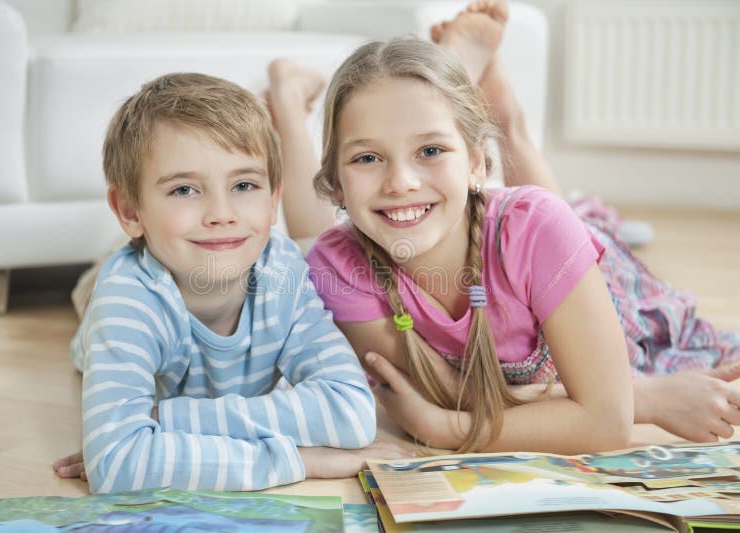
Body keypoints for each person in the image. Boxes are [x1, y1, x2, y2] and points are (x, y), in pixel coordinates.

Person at [297, 0, 740, 454]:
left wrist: (446, 429)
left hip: (602, 290)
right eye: (367, 158)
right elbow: (458, 393)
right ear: (335, 183)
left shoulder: (537, 228)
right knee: (543, 222)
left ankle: (504, 119)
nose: (400, 183)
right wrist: (631, 399)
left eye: (430, 150)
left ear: (476, 164)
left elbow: (605, 423)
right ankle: (466, 88)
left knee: (556, 219)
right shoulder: (336, 266)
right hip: (514, 249)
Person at [52, 72, 408, 493]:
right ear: (129, 209)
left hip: (187, 253)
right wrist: (300, 459)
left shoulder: (281, 271)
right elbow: (116, 466)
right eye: (184, 190)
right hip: (118, 286)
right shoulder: (126, 301)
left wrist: (165, 419)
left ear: (274, 200)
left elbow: (351, 412)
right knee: (94, 291)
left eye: (243, 185)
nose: (222, 213)